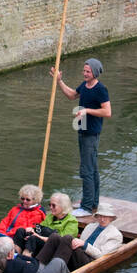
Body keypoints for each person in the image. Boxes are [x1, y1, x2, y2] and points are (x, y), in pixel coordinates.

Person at [50, 56, 111, 213]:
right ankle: (93, 202)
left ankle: (86, 206)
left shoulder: (100, 89)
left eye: (88, 71)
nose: (84, 73)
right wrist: (59, 81)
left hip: (91, 134)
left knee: (86, 170)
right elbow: (71, 95)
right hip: (82, 131)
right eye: (84, 70)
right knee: (92, 168)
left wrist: (87, 110)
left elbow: (107, 111)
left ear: (95, 73)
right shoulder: (85, 86)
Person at [33, 201, 123, 273]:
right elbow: (79, 242)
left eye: (106, 217)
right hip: (79, 255)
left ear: (111, 218)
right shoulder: (90, 226)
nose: (102, 219)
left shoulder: (115, 235)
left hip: (92, 263)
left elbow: (101, 256)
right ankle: (39, 269)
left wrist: (84, 245)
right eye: (100, 216)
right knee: (54, 237)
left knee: (68, 238)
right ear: (97, 216)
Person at [13, 191, 82, 256]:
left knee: (33, 238)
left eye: (53, 205)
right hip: (43, 240)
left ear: (63, 206)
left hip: (56, 247)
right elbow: (40, 228)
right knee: (21, 231)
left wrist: (37, 236)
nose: (50, 208)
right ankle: (15, 255)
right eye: (50, 205)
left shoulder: (71, 221)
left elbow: (61, 240)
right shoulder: (50, 216)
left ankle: (26, 259)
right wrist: (32, 230)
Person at [0, 185, 45, 251]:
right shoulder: (15, 209)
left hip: (14, 239)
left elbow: (25, 229)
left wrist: (7, 235)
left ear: (35, 200)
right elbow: (5, 221)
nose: (24, 201)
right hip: (4, 234)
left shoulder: (37, 214)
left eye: (28, 200)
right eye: (22, 198)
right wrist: (1, 231)